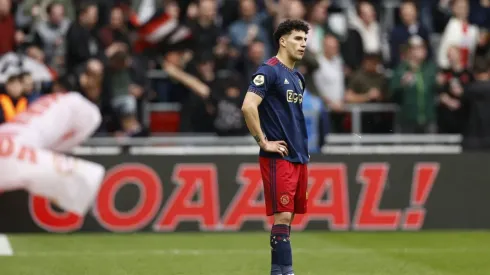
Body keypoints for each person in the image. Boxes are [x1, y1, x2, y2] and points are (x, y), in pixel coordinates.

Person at [241, 19, 310, 275]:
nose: (303, 44)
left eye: (304, 39)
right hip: (279, 155)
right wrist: (263, 141)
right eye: (297, 39)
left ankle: (278, 272)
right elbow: (248, 106)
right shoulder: (268, 70)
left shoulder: (298, 78)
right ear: (283, 41)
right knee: (282, 215)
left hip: (298, 156)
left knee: (288, 219)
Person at [0, 91, 105, 216]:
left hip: (16, 142)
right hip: (17, 139)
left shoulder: (75, 108)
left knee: (84, 177)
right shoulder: (67, 103)